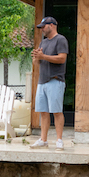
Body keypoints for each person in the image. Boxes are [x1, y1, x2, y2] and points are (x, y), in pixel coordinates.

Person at [30, 16, 68, 150]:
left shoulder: (61, 40)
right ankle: (43, 140)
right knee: (43, 112)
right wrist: (36, 57)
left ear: (51, 25)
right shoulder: (43, 43)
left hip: (55, 80)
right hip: (42, 81)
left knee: (56, 111)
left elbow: (62, 58)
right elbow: (37, 62)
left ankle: (59, 140)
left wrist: (43, 56)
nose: (41, 30)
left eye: (43, 27)